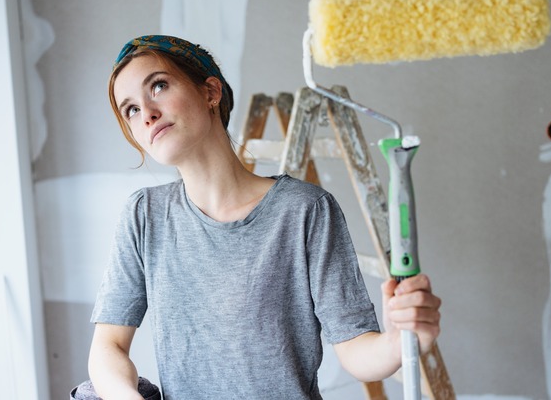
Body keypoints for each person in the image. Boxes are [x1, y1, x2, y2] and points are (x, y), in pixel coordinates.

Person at [88, 35, 441, 399]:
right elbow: (107, 349)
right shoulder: (144, 216)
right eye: (130, 109)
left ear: (211, 92)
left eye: (158, 86)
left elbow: (355, 349)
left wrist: (402, 340)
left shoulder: (305, 210)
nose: (146, 113)